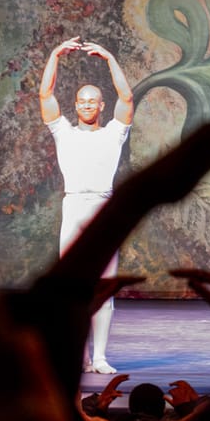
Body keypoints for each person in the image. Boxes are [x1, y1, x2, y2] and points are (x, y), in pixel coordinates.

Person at [39, 36, 135, 373]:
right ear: (76, 105)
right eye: (82, 100)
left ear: (101, 106)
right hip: (74, 208)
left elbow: (127, 97)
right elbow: (45, 95)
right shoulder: (64, 132)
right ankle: (78, 355)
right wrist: (54, 55)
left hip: (103, 209)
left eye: (93, 100)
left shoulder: (114, 134)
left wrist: (109, 59)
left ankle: (100, 357)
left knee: (103, 287)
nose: (87, 105)